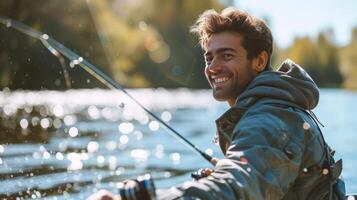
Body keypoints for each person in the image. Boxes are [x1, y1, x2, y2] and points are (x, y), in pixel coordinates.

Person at [88, 7, 345, 200]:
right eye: (209, 58)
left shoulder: (270, 120)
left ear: (259, 60)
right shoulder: (272, 109)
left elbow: (236, 184)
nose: (213, 67)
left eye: (227, 55)